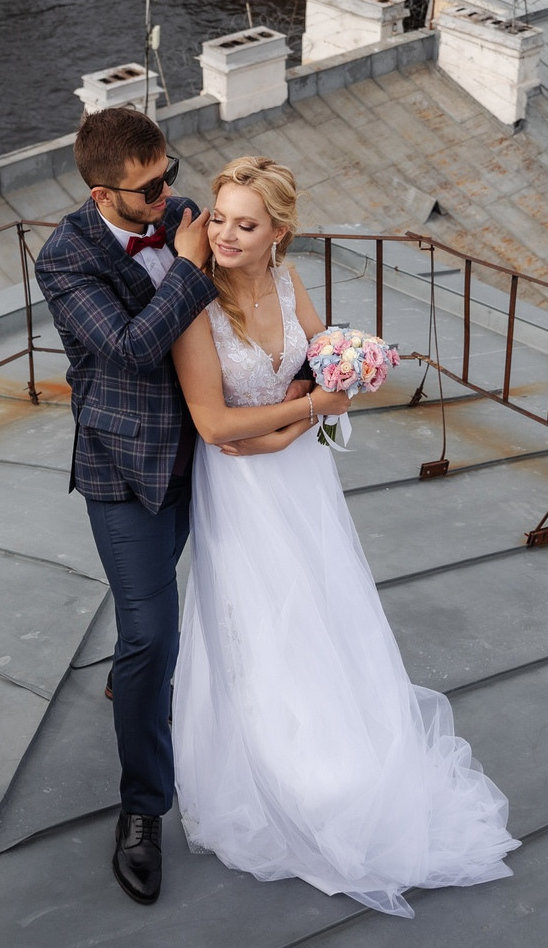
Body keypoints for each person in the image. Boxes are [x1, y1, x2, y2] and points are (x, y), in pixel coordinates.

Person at [170, 157, 517, 918]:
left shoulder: (289, 285)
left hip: (300, 480)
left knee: (322, 608)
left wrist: (328, 397)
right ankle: (291, 774)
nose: (224, 234)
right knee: (262, 620)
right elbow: (214, 425)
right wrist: (303, 411)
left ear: (279, 233)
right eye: (219, 218)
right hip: (240, 490)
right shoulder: (193, 305)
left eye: (245, 223)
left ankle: (350, 750)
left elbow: (329, 368)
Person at [34, 112, 334, 907]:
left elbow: (250, 297)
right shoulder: (65, 260)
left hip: (214, 461)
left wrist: (298, 382)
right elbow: (132, 347)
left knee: (210, 605)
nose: (173, 197)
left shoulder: (180, 211)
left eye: (172, 174)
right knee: (150, 631)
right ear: (105, 193)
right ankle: (142, 810)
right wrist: (191, 270)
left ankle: (147, 683)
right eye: (152, 188)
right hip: (128, 467)